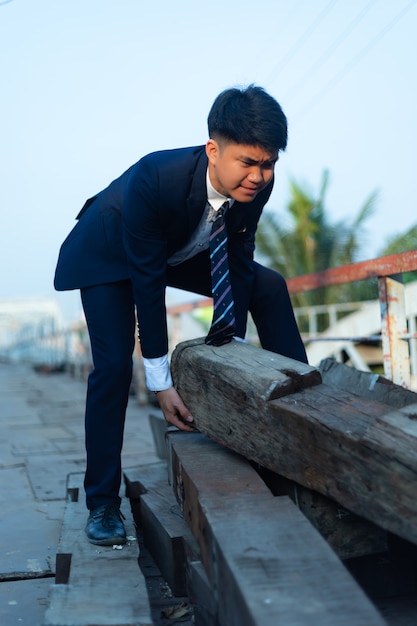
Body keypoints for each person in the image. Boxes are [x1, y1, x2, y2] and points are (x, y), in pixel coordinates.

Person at [54, 85, 307, 546]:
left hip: (172, 248)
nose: (259, 175)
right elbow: (147, 287)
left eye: (268, 163)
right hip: (107, 253)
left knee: (269, 285)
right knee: (112, 368)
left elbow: (239, 256)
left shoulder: (256, 185)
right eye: (248, 163)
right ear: (214, 150)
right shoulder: (158, 176)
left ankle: (302, 410)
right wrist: (161, 383)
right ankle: (103, 503)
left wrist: (228, 337)